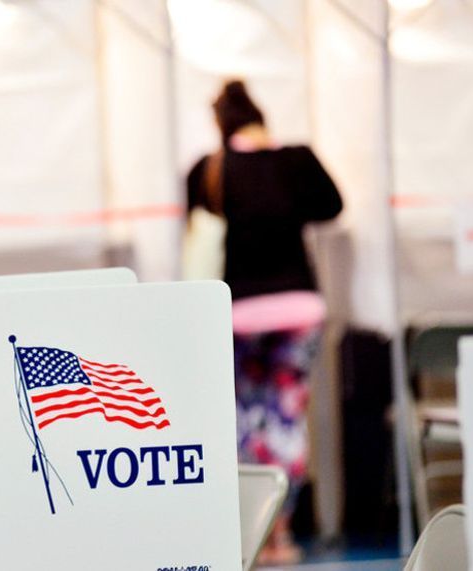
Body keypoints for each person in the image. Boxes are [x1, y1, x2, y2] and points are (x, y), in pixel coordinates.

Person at [187, 80, 342, 565]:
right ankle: (281, 533)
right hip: (297, 309)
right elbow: (332, 207)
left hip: (238, 314)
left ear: (220, 125)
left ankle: (248, 533)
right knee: (285, 419)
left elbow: (196, 227)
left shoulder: (209, 170)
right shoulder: (297, 161)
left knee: (240, 420)